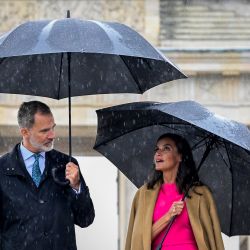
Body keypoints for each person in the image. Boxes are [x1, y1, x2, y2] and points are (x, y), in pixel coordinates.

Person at [0, 101, 95, 250]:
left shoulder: (67, 165)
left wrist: (77, 187)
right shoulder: (2, 169)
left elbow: (85, 219)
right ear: (25, 132)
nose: (52, 135)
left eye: (53, 128)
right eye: (45, 131)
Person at [125, 133, 224, 250]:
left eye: (166, 148)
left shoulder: (201, 194)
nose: (158, 152)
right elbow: (139, 241)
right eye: (157, 149)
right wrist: (168, 216)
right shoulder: (144, 194)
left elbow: (213, 239)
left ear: (180, 156)